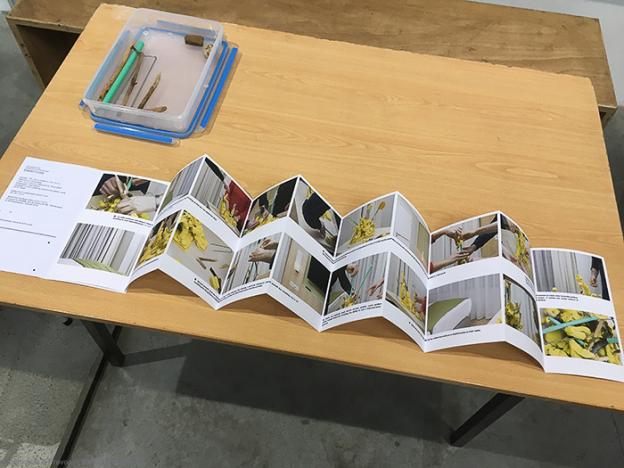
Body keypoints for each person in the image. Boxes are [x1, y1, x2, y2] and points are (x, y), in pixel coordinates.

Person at [205, 160, 250, 231]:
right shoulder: (236, 180)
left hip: (235, 219)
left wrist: (239, 217)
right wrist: (226, 202)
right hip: (226, 211)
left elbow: (247, 210)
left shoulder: (250, 192)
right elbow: (228, 191)